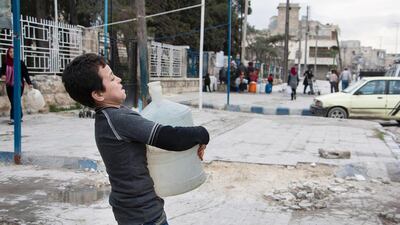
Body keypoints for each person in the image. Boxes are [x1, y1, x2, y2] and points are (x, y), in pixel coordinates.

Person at [62, 53, 210, 225]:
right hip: (142, 215)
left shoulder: (110, 117)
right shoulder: (118, 119)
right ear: (98, 94)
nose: (118, 79)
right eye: (111, 79)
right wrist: (202, 133)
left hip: (135, 211)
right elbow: (170, 138)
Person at [0, 47, 33, 125]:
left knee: (16, 100)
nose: (12, 54)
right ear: (8, 53)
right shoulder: (6, 63)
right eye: (10, 52)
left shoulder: (20, 62)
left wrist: (29, 83)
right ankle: (19, 115)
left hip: (19, 85)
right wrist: (2, 75)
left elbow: (25, 73)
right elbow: (1, 71)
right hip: (9, 86)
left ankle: (13, 118)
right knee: (13, 101)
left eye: (14, 52)